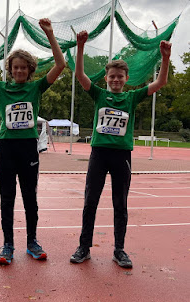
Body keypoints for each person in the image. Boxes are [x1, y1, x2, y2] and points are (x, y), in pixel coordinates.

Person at [70, 30, 172, 268]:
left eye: (120, 77)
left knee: (120, 204)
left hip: (121, 156)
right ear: (106, 78)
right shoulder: (98, 94)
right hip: (99, 154)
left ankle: (119, 250)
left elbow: (161, 82)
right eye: (112, 76)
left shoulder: (132, 98)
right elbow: (80, 75)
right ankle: (84, 247)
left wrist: (164, 58)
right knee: (90, 202)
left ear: (126, 78)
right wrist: (81, 46)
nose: (115, 80)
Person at [0, 18, 66, 265]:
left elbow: (61, 64)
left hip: (28, 148)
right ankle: (8, 245)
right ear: (10, 70)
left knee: (30, 198)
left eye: (24, 68)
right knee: (7, 198)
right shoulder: (1, 88)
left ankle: (32, 241)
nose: (20, 71)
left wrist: (50, 35)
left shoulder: (36, 88)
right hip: (7, 148)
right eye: (16, 68)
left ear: (29, 70)